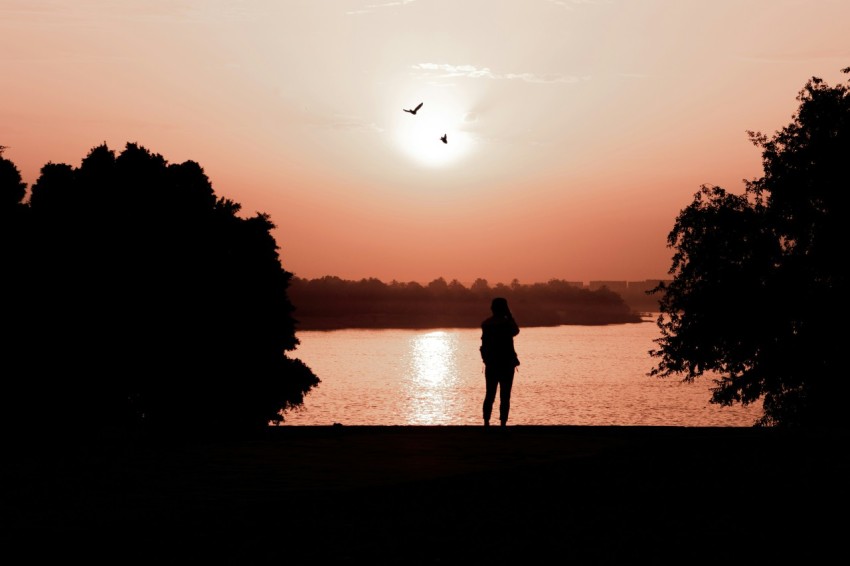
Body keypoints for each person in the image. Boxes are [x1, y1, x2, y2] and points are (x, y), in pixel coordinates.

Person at [479, 297, 520, 427]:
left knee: (490, 394)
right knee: (505, 395)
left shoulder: (486, 324)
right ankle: (503, 423)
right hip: (506, 364)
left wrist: (486, 360)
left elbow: (484, 345)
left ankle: (486, 422)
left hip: (491, 364)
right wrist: (510, 315)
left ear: (492, 308)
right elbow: (516, 331)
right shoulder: (507, 324)